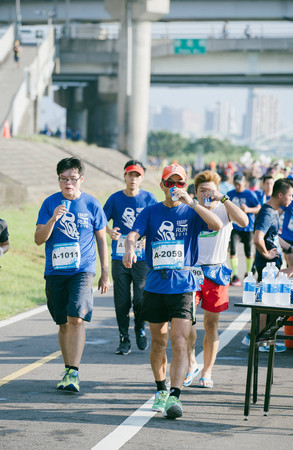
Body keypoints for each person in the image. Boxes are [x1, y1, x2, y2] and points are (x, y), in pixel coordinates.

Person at [122, 164, 223, 419]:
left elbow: (217, 224)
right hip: (156, 285)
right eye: (170, 183)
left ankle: (175, 397)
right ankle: (160, 388)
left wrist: (193, 202)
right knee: (159, 342)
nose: (175, 188)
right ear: (162, 185)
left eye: (179, 183)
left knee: (179, 340)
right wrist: (130, 248)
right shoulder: (150, 211)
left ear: (184, 185)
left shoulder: (191, 212)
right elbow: (133, 233)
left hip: (183, 286)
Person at [34, 157, 110, 392]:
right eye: (64, 179)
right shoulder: (49, 204)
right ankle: (68, 369)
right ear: (58, 180)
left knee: (76, 318)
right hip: (56, 271)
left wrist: (105, 272)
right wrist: (52, 219)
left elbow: (101, 240)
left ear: (81, 179)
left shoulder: (92, 204)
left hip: (82, 270)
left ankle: (74, 371)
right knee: (63, 322)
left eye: (73, 179)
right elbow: (38, 239)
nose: (68, 183)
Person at [183, 171, 248, 388]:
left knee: (211, 324)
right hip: (191, 272)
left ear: (217, 190)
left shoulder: (224, 208)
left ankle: (207, 370)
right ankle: (192, 363)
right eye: (202, 190)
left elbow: (244, 221)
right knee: (186, 321)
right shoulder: (190, 209)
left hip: (216, 272)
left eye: (210, 190)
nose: (206, 194)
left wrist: (224, 199)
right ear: (195, 192)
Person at [103, 160, 157, 355]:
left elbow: (156, 223)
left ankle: (139, 328)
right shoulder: (115, 199)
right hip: (119, 257)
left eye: (137, 175)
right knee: (122, 300)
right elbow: (100, 221)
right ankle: (123, 337)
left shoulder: (149, 199)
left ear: (142, 178)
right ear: (124, 176)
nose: (133, 178)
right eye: (130, 174)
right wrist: (109, 231)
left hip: (141, 257)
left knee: (141, 298)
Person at [242, 178, 293, 352]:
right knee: (267, 304)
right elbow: (258, 238)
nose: (291, 199)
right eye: (289, 195)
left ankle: (254, 337)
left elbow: (273, 236)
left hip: (273, 265)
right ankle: (261, 340)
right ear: (280, 194)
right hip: (267, 267)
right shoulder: (267, 213)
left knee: (270, 304)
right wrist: (266, 254)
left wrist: (291, 248)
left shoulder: (274, 211)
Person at [228, 173, 261, 286]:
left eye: (240, 184)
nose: (238, 186)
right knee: (233, 251)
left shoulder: (249, 194)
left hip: (248, 228)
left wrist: (248, 209)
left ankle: (248, 273)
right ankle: (235, 276)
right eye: (236, 184)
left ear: (244, 183)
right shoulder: (230, 194)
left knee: (248, 252)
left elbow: (258, 208)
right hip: (235, 227)